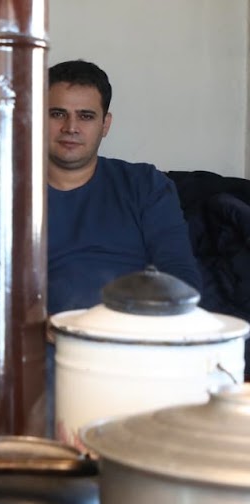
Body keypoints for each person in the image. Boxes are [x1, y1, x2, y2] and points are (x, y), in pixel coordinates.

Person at [47, 59, 202, 314]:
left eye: (86, 116)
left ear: (105, 125)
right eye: (57, 114)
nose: (71, 128)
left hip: (135, 327)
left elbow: (181, 277)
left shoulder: (145, 184)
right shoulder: (7, 190)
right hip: (41, 331)